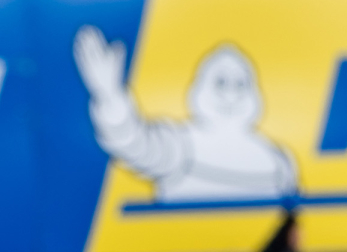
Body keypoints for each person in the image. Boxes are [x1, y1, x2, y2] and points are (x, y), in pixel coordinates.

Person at [73, 25, 298, 203]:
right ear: (201, 88)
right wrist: (109, 96)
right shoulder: (181, 145)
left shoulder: (278, 161)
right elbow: (135, 143)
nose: (230, 94)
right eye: (220, 83)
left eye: (240, 84)